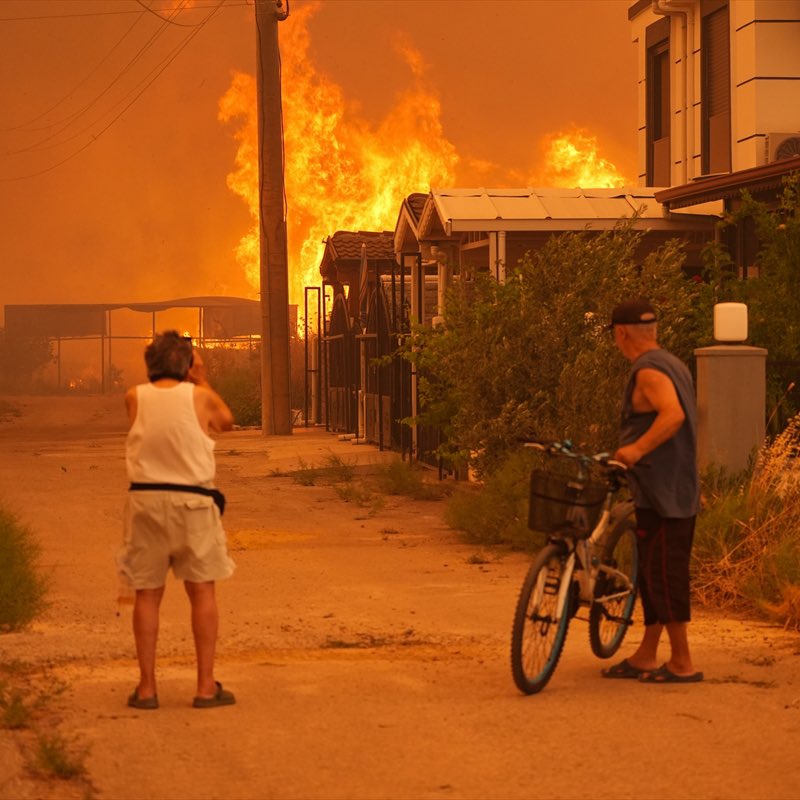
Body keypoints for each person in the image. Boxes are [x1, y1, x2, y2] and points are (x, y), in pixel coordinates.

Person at [118, 330, 237, 709]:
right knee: (201, 590)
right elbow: (226, 422)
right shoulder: (200, 395)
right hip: (193, 503)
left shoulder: (134, 397)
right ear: (187, 364)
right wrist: (200, 377)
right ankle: (205, 687)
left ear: (150, 364)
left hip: (146, 502)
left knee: (147, 594)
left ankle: (147, 688)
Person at [602, 299, 703, 684]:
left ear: (621, 333)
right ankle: (647, 654)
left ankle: (682, 662)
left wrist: (634, 450)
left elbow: (674, 415)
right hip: (671, 485)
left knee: (664, 575)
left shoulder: (647, 371)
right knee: (653, 572)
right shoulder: (673, 363)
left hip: (664, 493)